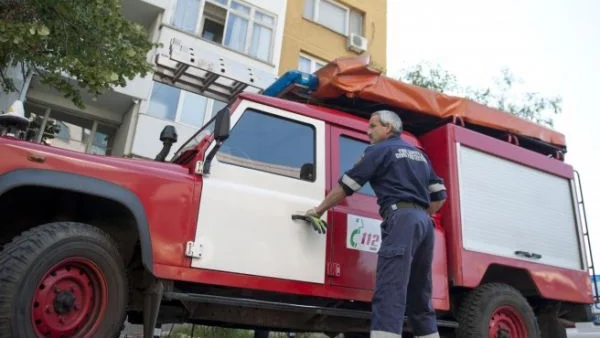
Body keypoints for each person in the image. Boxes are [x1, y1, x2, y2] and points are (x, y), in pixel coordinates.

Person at [304, 110, 447, 338]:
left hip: (401, 219)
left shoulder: (379, 151)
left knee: (390, 289)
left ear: (388, 128)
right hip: (424, 224)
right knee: (420, 294)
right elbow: (439, 197)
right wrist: (418, 214)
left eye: (373, 126)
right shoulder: (418, 154)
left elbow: (347, 185)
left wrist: (319, 210)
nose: (368, 131)